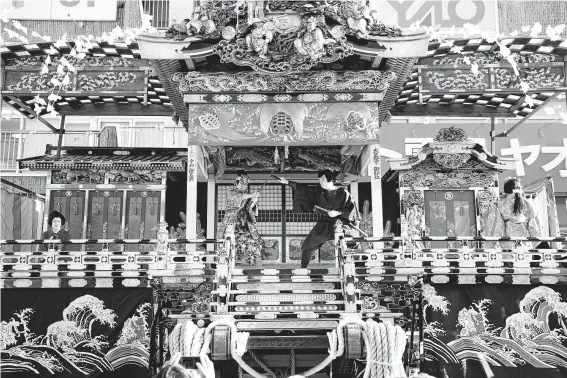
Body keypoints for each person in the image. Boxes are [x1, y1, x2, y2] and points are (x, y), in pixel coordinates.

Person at [277, 170, 355, 268]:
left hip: (341, 223)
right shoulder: (318, 191)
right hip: (325, 222)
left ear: (330, 179)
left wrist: (338, 213)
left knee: (348, 243)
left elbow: (351, 209)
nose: (320, 182)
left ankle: (350, 266)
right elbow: (303, 189)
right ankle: (303, 268)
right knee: (307, 245)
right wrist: (287, 182)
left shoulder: (343, 192)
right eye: (319, 180)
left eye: (322, 179)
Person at [217, 171, 264, 265]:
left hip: (245, 225)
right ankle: (230, 264)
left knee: (253, 245)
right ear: (236, 183)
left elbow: (248, 208)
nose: (244, 186)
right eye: (242, 183)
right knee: (230, 246)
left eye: (246, 184)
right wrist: (252, 195)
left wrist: (254, 201)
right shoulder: (231, 193)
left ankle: (252, 266)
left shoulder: (246, 195)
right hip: (232, 225)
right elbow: (239, 197)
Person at [484, 178, 541, 249]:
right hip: (525, 244)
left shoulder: (500, 205)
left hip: (508, 244)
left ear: (506, 190)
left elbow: (497, 227)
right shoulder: (528, 204)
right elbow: (534, 227)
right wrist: (537, 244)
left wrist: (489, 245)